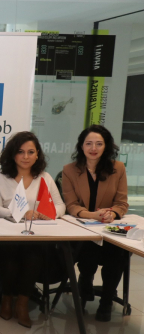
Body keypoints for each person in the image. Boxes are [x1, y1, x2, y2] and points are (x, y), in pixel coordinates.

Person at [0, 131, 66, 327]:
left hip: (36, 235)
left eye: (31, 152)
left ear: (37, 154)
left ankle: (22, 303)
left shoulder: (45, 177)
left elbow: (60, 206)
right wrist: (22, 213)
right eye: (20, 152)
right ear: (12, 154)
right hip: (6, 235)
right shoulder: (0, 178)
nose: (26, 157)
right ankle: (6, 299)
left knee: (34, 256)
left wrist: (49, 213)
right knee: (10, 257)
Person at [62, 124, 129, 322]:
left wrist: (112, 213)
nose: (93, 148)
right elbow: (71, 205)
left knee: (117, 255)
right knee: (88, 254)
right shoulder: (69, 170)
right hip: (83, 228)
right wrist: (92, 215)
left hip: (109, 228)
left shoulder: (118, 168)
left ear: (106, 146)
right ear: (81, 146)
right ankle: (85, 285)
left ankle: (106, 301)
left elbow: (122, 203)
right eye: (88, 143)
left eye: (99, 144)